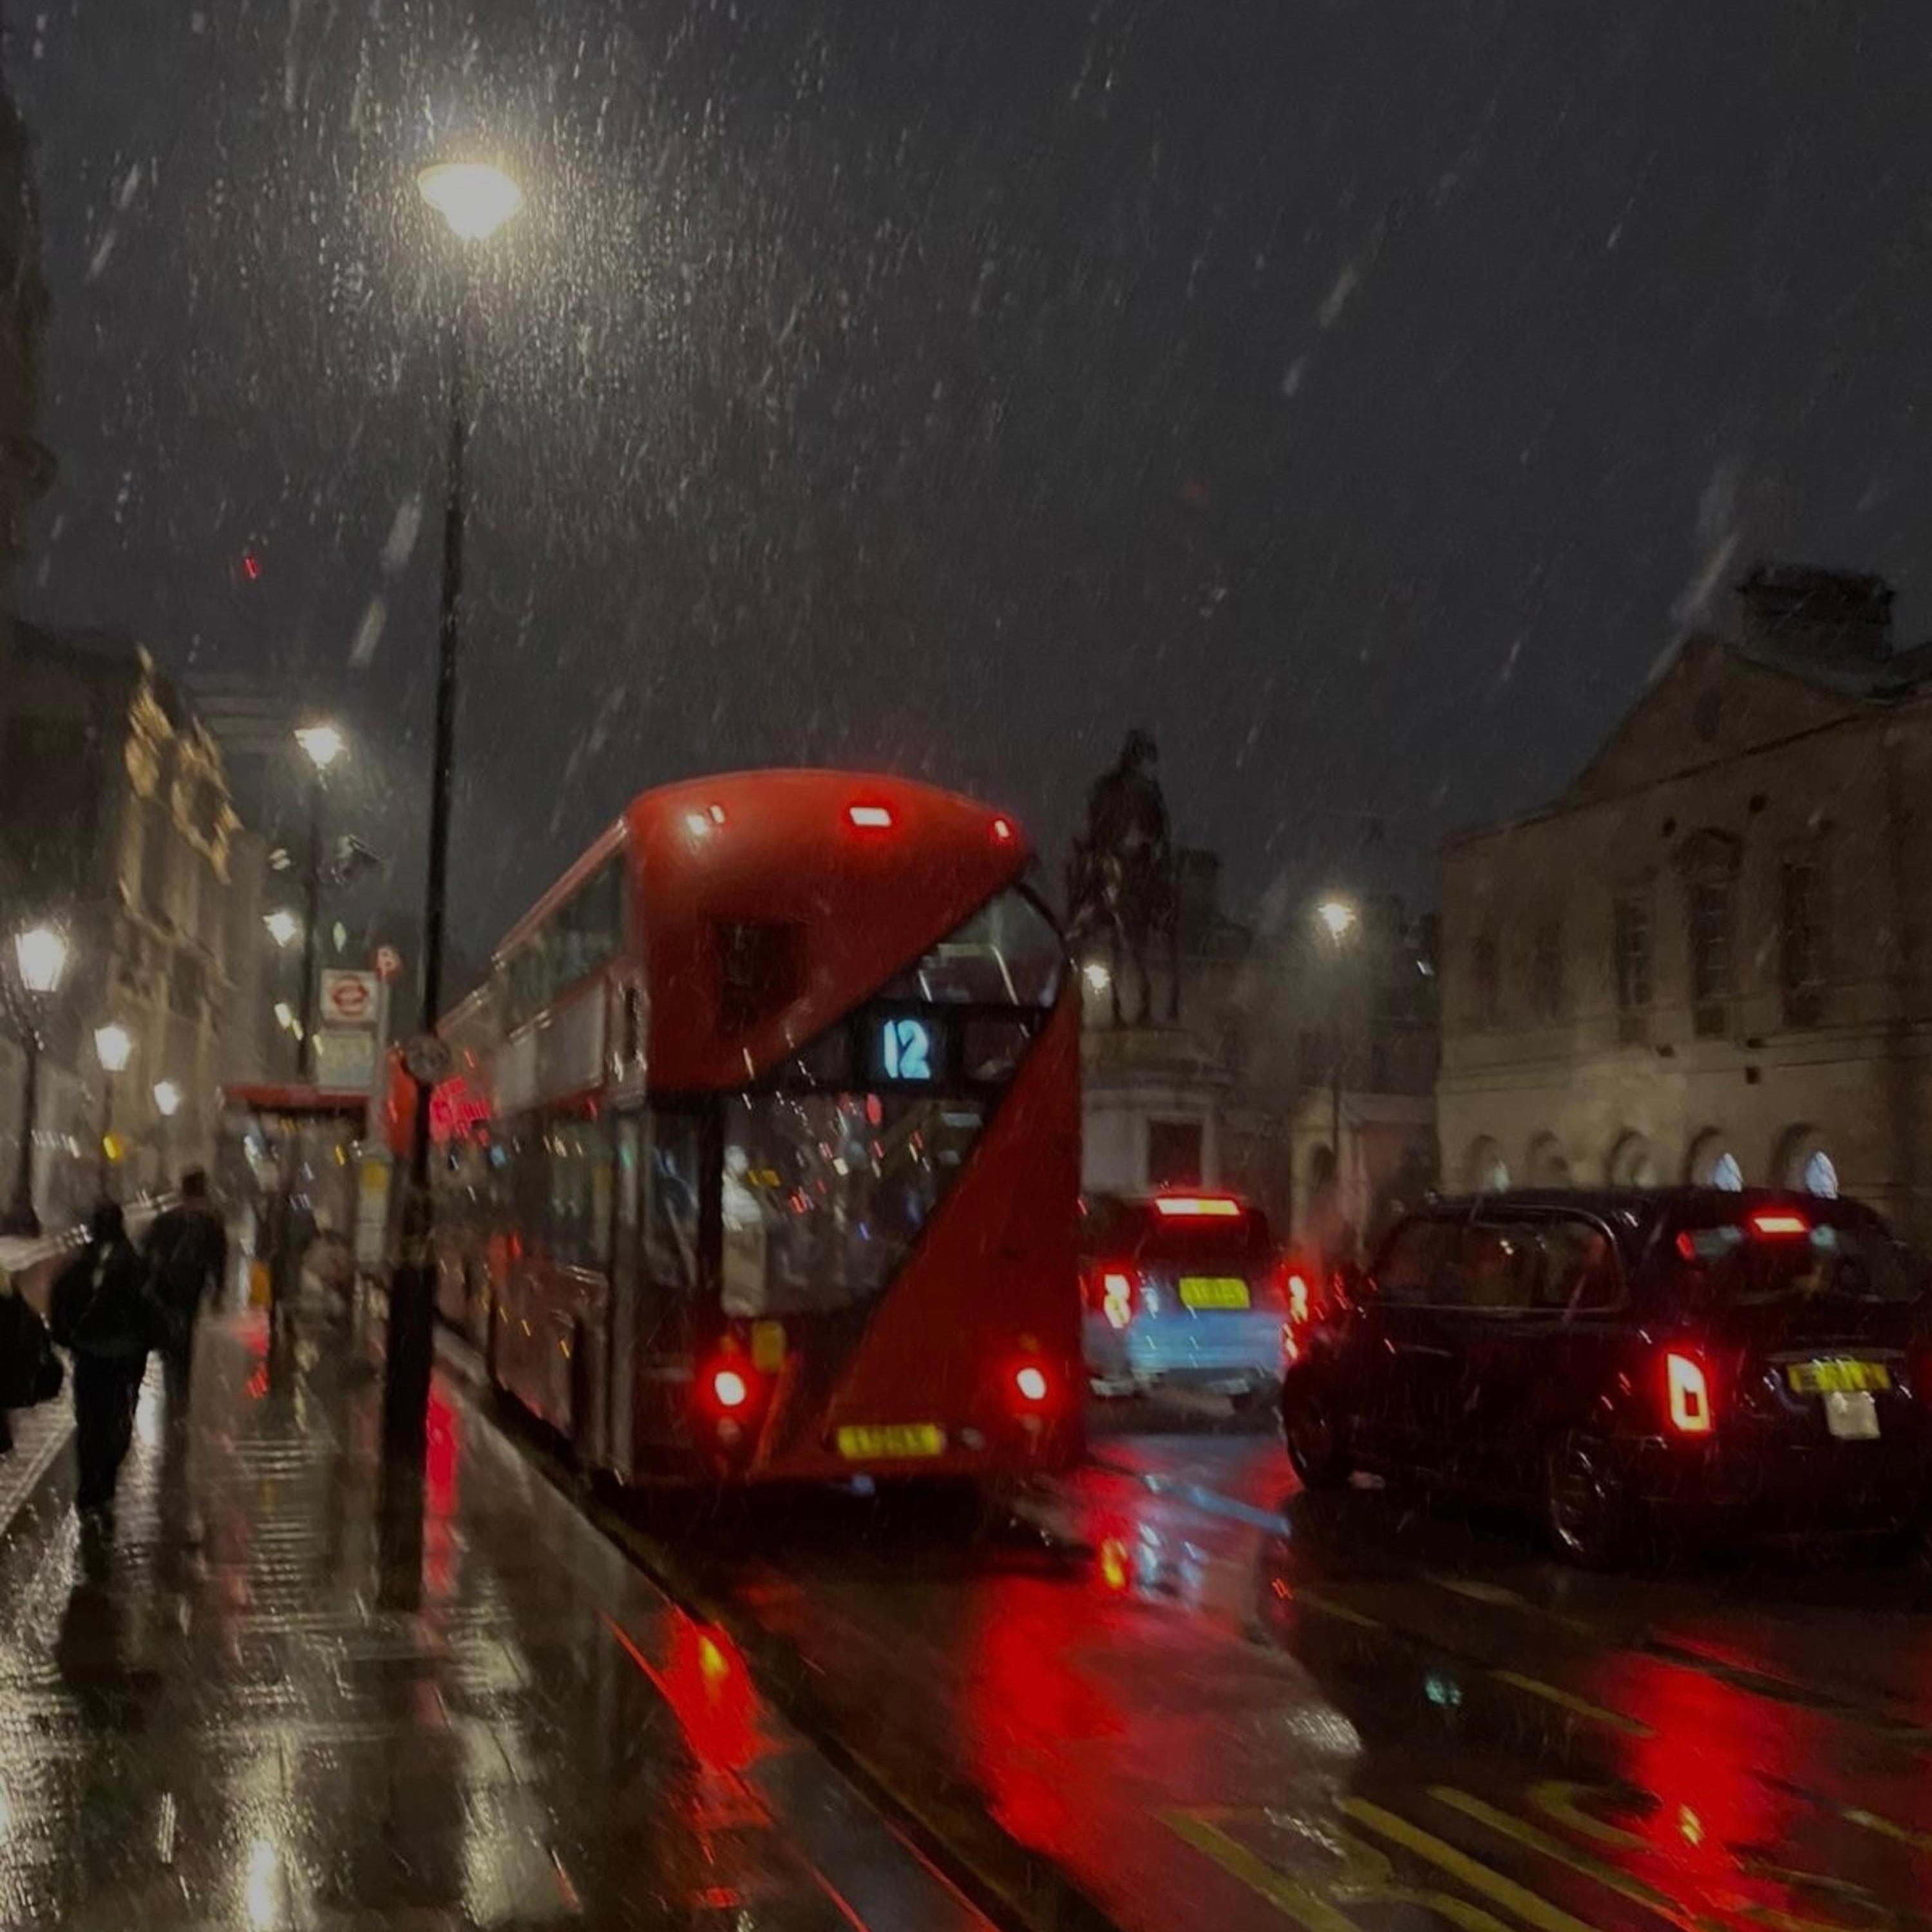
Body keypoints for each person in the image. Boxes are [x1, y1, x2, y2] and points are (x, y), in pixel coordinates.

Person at [48, 1202, 152, 1522]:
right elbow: (147, 1309)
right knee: (114, 1419)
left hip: (91, 1355)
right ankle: (103, 1484)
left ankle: (91, 1487)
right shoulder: (135, 1264)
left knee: (90, 1420)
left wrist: (69, 1337)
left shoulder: (79, 1264)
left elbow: (61, 1306)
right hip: (122, 1358)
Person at [144, 1169, 228, 1419]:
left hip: (166, 1285)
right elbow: (219, 1258)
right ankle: (180, 1385)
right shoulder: (212, 1220)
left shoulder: (167, 1219)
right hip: (193, 1284)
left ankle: (171, 1368)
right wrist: (217, 1292)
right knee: (187, 1331)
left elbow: (150, 1251)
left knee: (169, 1329)